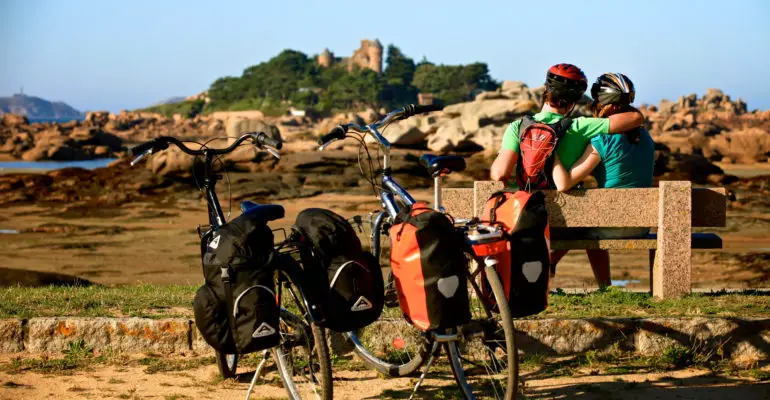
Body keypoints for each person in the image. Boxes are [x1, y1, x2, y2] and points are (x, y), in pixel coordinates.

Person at [550, 72, 655, 288]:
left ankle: (551, 265)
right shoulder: (646, 137)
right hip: (642, 224)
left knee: (580, 223)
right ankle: (604, 286)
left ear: (600, 102)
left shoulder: (602, 139)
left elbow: (565, 183)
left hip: (611, 224)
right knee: (591, 220)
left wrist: (553, 154)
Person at [490, 63, 644, 183]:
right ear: (574, 101)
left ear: (545, 90)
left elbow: (499, 174)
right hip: (566, 214)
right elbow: (635, 118)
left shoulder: (518, 127)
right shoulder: (581, 126)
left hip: (529, 210)